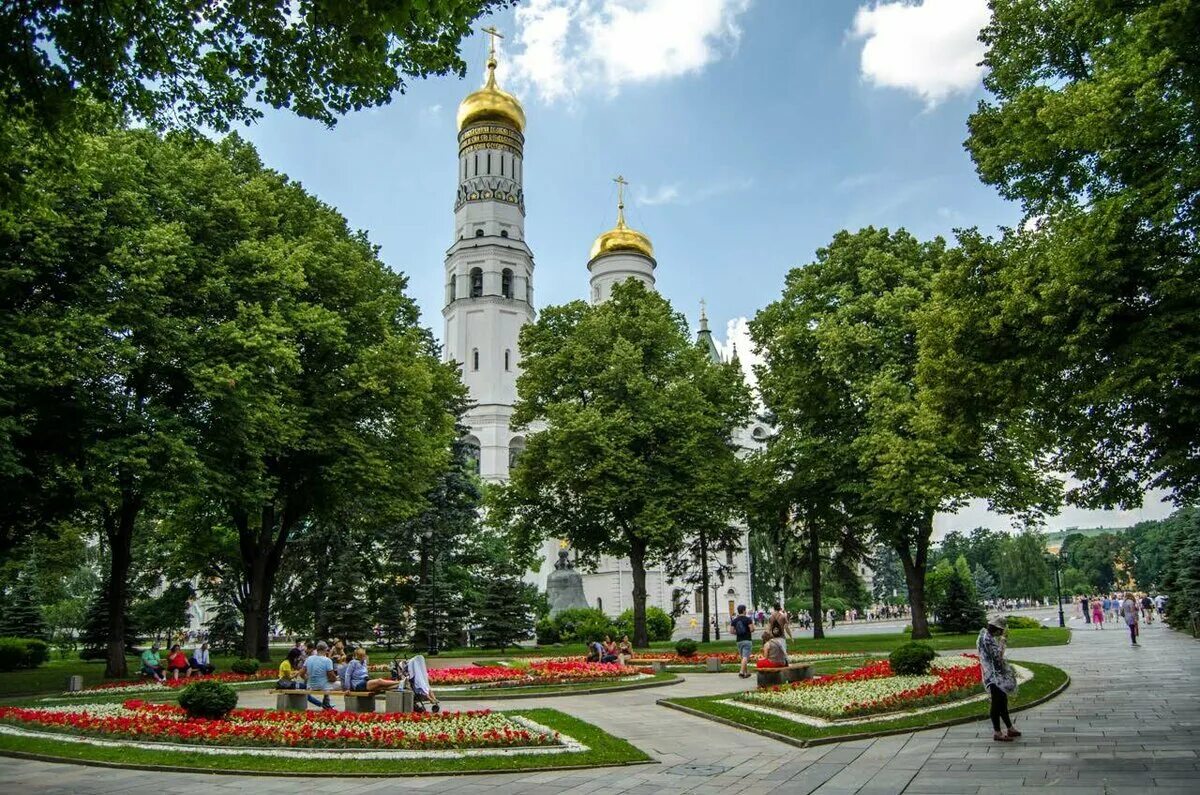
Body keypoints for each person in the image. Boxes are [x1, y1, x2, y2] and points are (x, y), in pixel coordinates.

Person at [977, 617, 1020, 742]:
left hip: (996, 675)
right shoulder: (987, 639)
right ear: (996, 629)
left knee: (1002, 701)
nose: (1001, 633)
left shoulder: (986, 636)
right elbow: (998, 657)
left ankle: (1010, 728)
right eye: (1001, 630)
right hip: (993, 677)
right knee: (997, 704)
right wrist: (1003, 641)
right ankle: (997, 732)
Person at [303, 641, 337, 710]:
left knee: (327, 683)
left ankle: (326, 704)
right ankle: (326, 703)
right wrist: (336, 678)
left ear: (316, 649)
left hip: (310, 686)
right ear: (326, 649)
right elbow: (332, 677)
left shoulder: (309, 658)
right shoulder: (327, 660)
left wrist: (308, 679)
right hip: (323, 686)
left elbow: (301, 673)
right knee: (341, 684)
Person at [730, 604, 755, 679]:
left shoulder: (734, 620)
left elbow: (731, 631)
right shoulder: (748, 619)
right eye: (745, 609)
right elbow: (752, 629)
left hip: (739, 641)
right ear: (744, 610)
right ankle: (741, 672)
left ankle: (746, 673)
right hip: (747, 640)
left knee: (743, 657)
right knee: (745, 657)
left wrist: (738, 633)